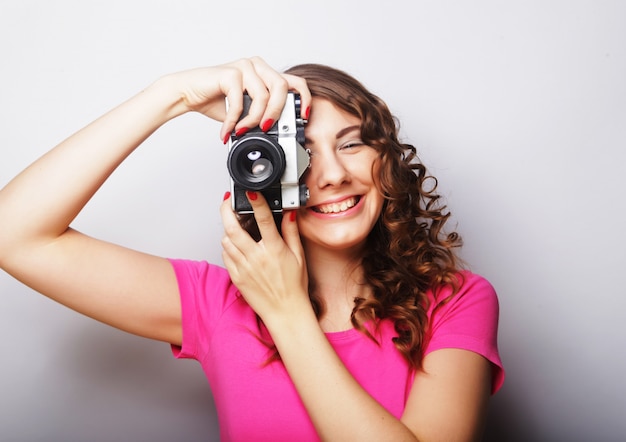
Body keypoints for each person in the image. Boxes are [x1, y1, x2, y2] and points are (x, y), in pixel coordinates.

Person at [0, 57, 504, 441]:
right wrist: (172, 95)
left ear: (387, 160)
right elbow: (14, 234)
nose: (331, 175)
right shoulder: (218, 304)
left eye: (352, 144)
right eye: (302, 152)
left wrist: (286, 314)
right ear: (262, 169)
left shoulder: (456, 301)